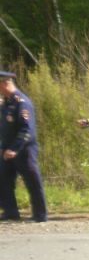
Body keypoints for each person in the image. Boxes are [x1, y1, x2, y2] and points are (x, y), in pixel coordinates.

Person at [0, 71, 47, 222]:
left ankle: (40, 215)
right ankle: (10, 212)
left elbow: (27, 129)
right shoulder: (7, 103)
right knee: (4, 180)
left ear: (5, 83)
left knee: (32, 182)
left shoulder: (22, 102)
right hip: (6, 150)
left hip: (24, 150)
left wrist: (15, 148)